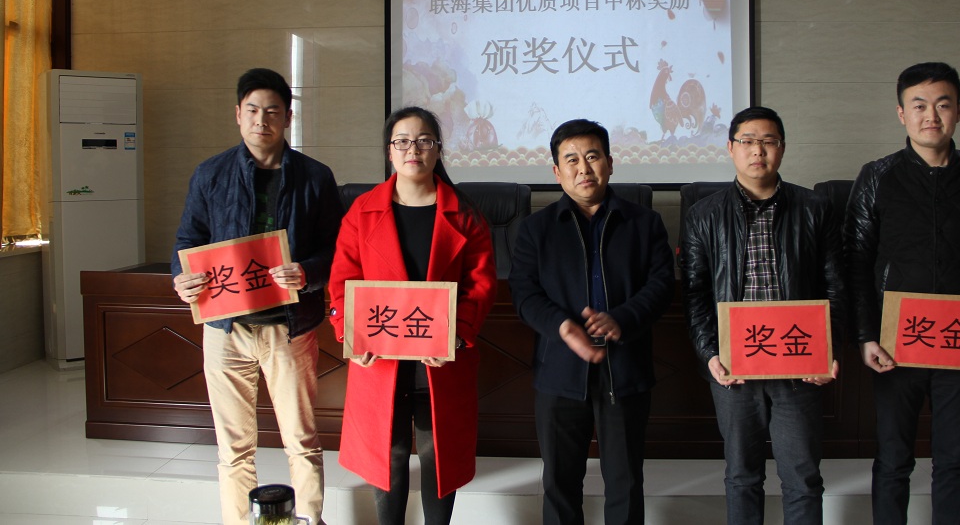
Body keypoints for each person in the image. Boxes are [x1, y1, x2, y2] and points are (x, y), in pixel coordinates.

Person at [844, 62, 960, 525]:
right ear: (901, 114)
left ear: (959, 111)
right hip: (896, 343)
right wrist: (865, 335)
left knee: (955, 459)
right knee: (893, 458)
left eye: (943, 105)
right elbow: (856, 262)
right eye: (919, 106)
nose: (931, 116)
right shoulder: (877, 175)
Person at [171, 68, 341, 525]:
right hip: (225, 329)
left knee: (301, 440)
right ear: (237, 115)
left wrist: (307, 272)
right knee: (233, 446)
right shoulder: (210, 173)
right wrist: (180, 277)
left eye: (272, 111)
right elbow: (188, 240)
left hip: (289, 329)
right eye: (252, 110)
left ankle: (309, 519)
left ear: (288, 117)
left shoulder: (315, 177)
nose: (261, 120)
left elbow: (338, 249)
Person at [328, 106, 497, 525]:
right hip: (379, 356)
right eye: (402, 141)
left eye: (424, 141)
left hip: (440, 358)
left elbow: (481, 284)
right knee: (390, 451)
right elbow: (342, 282)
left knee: (437, 452)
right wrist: (350, 332)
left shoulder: (465, 213)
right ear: (389, 151)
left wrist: (456, 335)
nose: (413, 149)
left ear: (438, 150)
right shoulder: (362, 211)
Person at [678, 106, 843, 525]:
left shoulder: (815, 208)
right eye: (748, 141)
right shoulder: (703, 214)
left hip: (798, 365)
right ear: (730, 148)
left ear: (782, 148)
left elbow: (836, 286)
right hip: (734, 367)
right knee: (742, 476)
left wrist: (828, 350)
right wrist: (709, 353)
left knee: (803, 478)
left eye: (768, 141)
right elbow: (695, 293)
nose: (758, 151)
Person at [509, 118, 674, 525]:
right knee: (560, 484)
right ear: (556, 171)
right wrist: (563, 327)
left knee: (625, 482)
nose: (583, 168)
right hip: (559, 372)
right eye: (571, 160)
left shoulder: (645, 223)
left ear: (610, 163)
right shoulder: (535, 229)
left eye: (593, 156)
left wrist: (623, 319)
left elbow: (661, 286)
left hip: (625, 369)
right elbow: (525, 294)